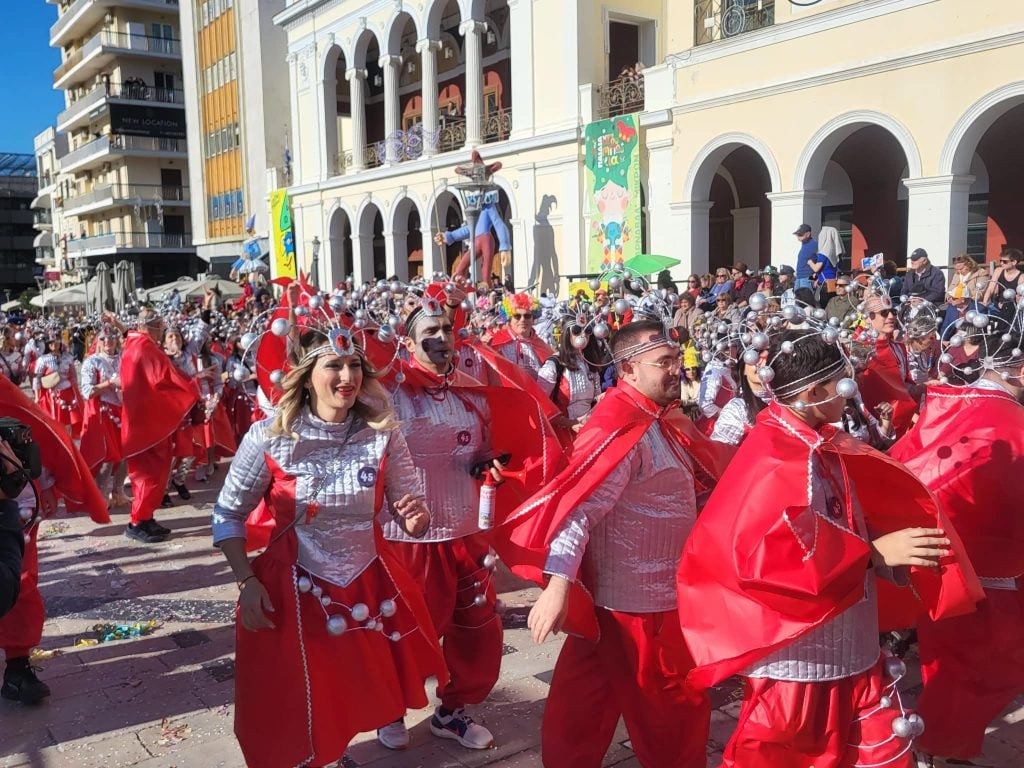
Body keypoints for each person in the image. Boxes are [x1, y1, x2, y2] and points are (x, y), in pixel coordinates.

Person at [677, 329, 982, 768]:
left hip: (848, 642)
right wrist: (875, 554)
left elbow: (840, 519)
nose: (852, 388)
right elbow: (773, 557)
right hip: (800, 662)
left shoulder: (813, 442)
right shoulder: (777, 456)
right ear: (817, 393)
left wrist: (888, 557)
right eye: (844, 380)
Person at [212, 324, 446, 768]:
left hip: (368, 584)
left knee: (364, 691)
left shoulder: (383, 433)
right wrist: (246, 581)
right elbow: (227, 515)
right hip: (295, 589)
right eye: (334, 366)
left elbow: (409, 506)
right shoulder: (269, 437)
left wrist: (416, 519)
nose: (347, 377)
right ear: (305, 376)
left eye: (354, 365)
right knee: (305, 702)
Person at [517, 319, 727, 768]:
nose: (677, 369)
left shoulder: (659, 418)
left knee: (585, 714)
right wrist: (558, 587)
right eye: (664, 362)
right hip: (640, 612)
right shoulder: (621, 425)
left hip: (642, 604)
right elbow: (579, 508)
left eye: (677, 360)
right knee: (670, 721)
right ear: (628, 369)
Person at [381, 295, 560, 752]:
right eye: (430, 331)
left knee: (477, 626)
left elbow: (483, 447)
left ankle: (453, 711)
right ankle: (391, 708)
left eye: (447, 329)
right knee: (407, 629)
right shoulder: (388, 392)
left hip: (466, 529)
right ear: (408, 342)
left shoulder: (471, 390)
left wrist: (490, 463)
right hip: (408, 537)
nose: (442, 338)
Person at [890, 330, 1024, 767]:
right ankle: (937, 744)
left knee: (947, 662)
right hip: (992, 568)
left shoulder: (945, 407)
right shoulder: (1013, 423)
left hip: (936, 557)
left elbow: (902, 463)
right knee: (985, 665)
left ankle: (935, 743)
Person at [116, 309, 199, 544]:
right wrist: (190, 387)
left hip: (145, 422)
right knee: (149, 475)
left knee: (155, 473)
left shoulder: (136, 343)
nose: (163, 329)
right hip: (147, 425)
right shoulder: (146, 348)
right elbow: (163, 378)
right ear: (151, 327)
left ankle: (146, 517)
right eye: (160, 325)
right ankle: (137, 522)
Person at [79, 325, 128, 507]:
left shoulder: (125, 359)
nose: (108, 341)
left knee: (126, 454)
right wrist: (109, 383)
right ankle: (101, 495)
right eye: (103, 338)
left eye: (112, 337)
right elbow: (87, 391)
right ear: (98, 342)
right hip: (102, 412)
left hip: (123, 411)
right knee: (107, 456)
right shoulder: (92, 362)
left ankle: (118, 492)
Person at [536, 315, 606, 437]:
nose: (583, 335)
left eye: (587, 330)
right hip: (562, 434)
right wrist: (569, 423)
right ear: (567, 334)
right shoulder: (554, 364)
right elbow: (539, 403)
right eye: (577, 330)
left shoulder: (590, 363)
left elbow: (595, 397)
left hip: (587, 430)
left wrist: (603, 398)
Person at [487, 293, 552, 381]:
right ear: (509, 319)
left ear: (533, 319)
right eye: (517, 316)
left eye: (527, 316)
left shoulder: (540, 344)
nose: (522, 320)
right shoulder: (496, 341)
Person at [32, 335, 83, 437]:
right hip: (52, 394)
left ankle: (68, 439)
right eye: (51, 343)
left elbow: (73, 376)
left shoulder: (68, 357)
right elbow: (36, 378)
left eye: (56, 342)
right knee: (56, 419)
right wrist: (37, 396)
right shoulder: (43, 359)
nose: (54, 345)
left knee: (69, 419)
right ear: (48, 345)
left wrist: (76, 392)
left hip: (68, 392)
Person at [942, 253, 987, 333]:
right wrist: (949, 297)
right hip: (956, 303)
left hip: (972, 304)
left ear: (969, 264)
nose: (959, 271)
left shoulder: (981, 273)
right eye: (957, 269)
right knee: (942, 313)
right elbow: (950, 289)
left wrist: (964, 296)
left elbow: (980, 293)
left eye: (961, 268)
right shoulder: (957, 274)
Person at [981, 246, 1023, 320]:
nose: (1001, 263)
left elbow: (1019, 296)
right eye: (1000, 261)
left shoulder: (1021, 276)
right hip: (998, 303)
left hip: (1012, 306)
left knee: (1008, 307)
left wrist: (1005, 305)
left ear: (1014, 262)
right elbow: (990, 289)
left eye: (1005, 261)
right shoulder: (998, 271)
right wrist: (984, 303)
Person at [793, 223, 818, 290]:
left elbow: (821, 261)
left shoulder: (815, 245)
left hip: (808, 278)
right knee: (797, 296)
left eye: (800, 235)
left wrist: (817, 277)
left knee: (806, 296)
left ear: (808, 234)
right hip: (798, 278)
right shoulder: (804, 244)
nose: (798, 237)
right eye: (797, 235)